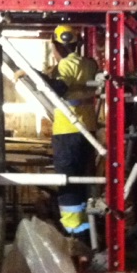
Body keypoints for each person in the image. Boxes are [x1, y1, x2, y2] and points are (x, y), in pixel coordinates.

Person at [45, 25, 100, 243]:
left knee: (67, 181)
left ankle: (74, 232)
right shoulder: (89, 63)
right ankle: (86, 230)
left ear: (56, 45)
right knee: (83, 179)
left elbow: (59, 88)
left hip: (68, 130)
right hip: (88, 130)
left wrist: (36, 76)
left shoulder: (66, 65)